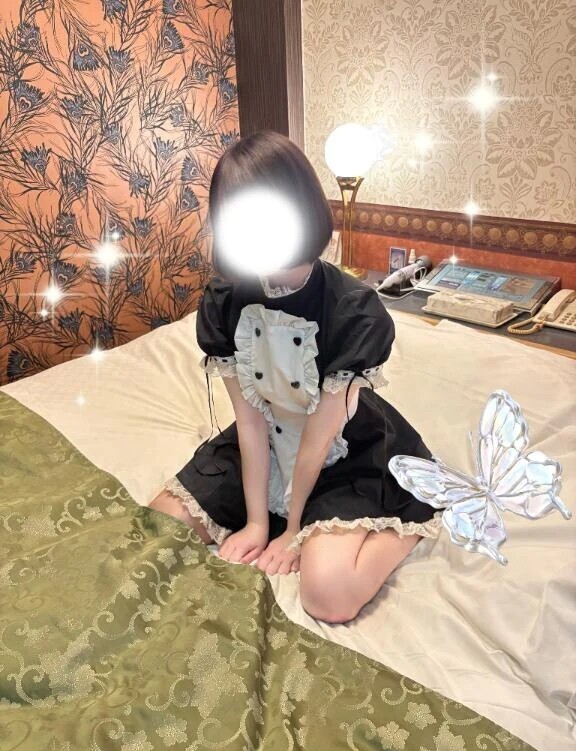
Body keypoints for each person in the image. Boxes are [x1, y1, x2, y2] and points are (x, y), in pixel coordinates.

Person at [149, 130, 441, 624]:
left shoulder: (354, 312)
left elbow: (318, 441)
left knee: (328, 597)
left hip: (341, 449)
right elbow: (249, 423)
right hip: (267, 438)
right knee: (161, 527)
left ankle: (411, 520)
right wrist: (258, 522)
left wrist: (294, 531)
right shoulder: (225, 301)